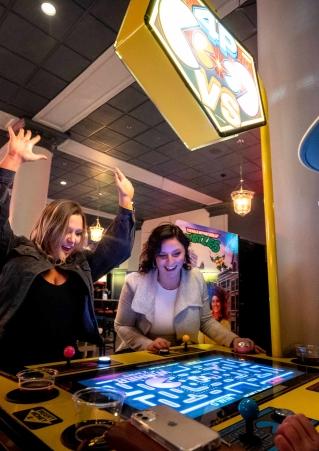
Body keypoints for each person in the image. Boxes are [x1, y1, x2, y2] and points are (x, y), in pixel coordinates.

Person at [0, 126, 135, 370]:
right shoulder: (17, 250)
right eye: (66, 230)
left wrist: (126, 203)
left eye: (78, 233)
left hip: (62, 367)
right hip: (11, 367)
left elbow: (118, 249)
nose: (73, 239)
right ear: (50, 226)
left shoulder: (80, 264)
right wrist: (12, 160)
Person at [115, 223, 264, 353]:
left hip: (184, 355)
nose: (170, 261)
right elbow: (122, 326)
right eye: (162, 255)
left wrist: (233, 340)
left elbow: (206, 321)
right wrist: (147, 345)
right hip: (141, 355)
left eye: (176, 253)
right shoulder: (133, 282)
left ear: (185, 252)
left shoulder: (196, 277)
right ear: (153, 256)